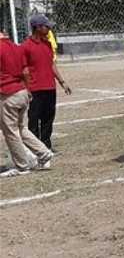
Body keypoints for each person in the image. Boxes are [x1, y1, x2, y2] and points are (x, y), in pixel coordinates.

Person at [0, 31, 53, 177]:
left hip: (7, 93)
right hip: (21, 91)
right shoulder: (17, 47)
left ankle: (22, 166)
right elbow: (25, 71)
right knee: (21, 128)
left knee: (11, 131)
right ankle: (43, 152)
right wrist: (28, 89)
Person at [22, 14, 72, 150]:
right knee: (34, 119)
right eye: (46, 26)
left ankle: (46, 145)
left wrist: (62, 82)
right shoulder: (26, 46)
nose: (49, 28)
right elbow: (24, 69)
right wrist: (27, 89)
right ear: (37, 28)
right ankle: (35, 147)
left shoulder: (48, 44)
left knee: (48, 118)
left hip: (50, 87)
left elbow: (51, 65)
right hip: (35, 89)